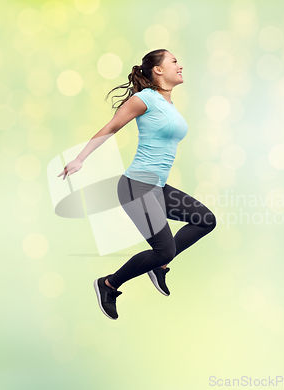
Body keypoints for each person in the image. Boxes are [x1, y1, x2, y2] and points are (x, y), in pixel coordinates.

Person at [58, 49, 217, 320]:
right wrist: (80, 159)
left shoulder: (168, 104)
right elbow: (111, 127)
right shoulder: (144, 99)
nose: (180, 66)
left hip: (157, 188)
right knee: (164, 247)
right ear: (158, 69)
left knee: (205, 220)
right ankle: (108, 284)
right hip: (137, 187)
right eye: (174, 62)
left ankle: (160, 266)